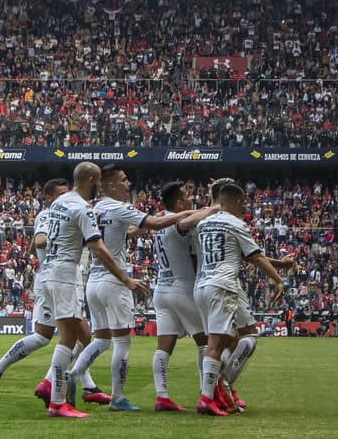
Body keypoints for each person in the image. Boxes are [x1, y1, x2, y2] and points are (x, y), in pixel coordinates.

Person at [67, 165, 190, 413]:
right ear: (111, 185)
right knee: (122, 342)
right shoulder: (120, 207)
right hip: (114, 281)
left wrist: (146, 227)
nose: (128, 184)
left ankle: (72, 375)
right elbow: (154, 223)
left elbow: (126, 233)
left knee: (101, 340)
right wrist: (187, 213)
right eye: (124, 180)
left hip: (94, 282)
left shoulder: (96, 208)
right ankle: (117, 398)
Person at [39, 162, 150, 419]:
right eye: (98, 181)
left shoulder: (59, 202)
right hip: (67, 274)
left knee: (80, 337)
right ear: (91, 180)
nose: (98, 187)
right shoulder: (83, 207)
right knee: (68, 339)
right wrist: (127, 280)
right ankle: (56, 399)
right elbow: (99, 248)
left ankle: (58, 389)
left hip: (51, 273)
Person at [193, 182, 286, 417]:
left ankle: (216, 391)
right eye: (242, 204)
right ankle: (207, 396)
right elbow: (255, 257)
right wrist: (278, 279)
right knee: (217, 343)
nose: (243, 208)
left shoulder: (203, 223)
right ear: (235, 202)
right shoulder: (236, 223)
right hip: (223, 285)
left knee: (228, 338)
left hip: (201, 285)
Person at [0, 177, 76, 401]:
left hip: (53, 278)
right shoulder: (48, 215)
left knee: (46, 337)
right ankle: (53, 385)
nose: (66, 197)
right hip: (55, 280)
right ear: (48, 198)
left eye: (68, 193)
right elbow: (42, 240)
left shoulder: (57, 215)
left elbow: (34, 248)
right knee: (78, 335)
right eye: (61, 194)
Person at [150, 180, 219, 412]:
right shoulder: (176, 221)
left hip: (161, 289)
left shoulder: (160, 219)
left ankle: (162, 396)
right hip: (182, 289)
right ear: (179, 203)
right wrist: (217, 204)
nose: (192, 199)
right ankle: (206, 393)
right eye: (188, 196)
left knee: (163, 347)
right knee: (206, 343)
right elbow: (189, 221)